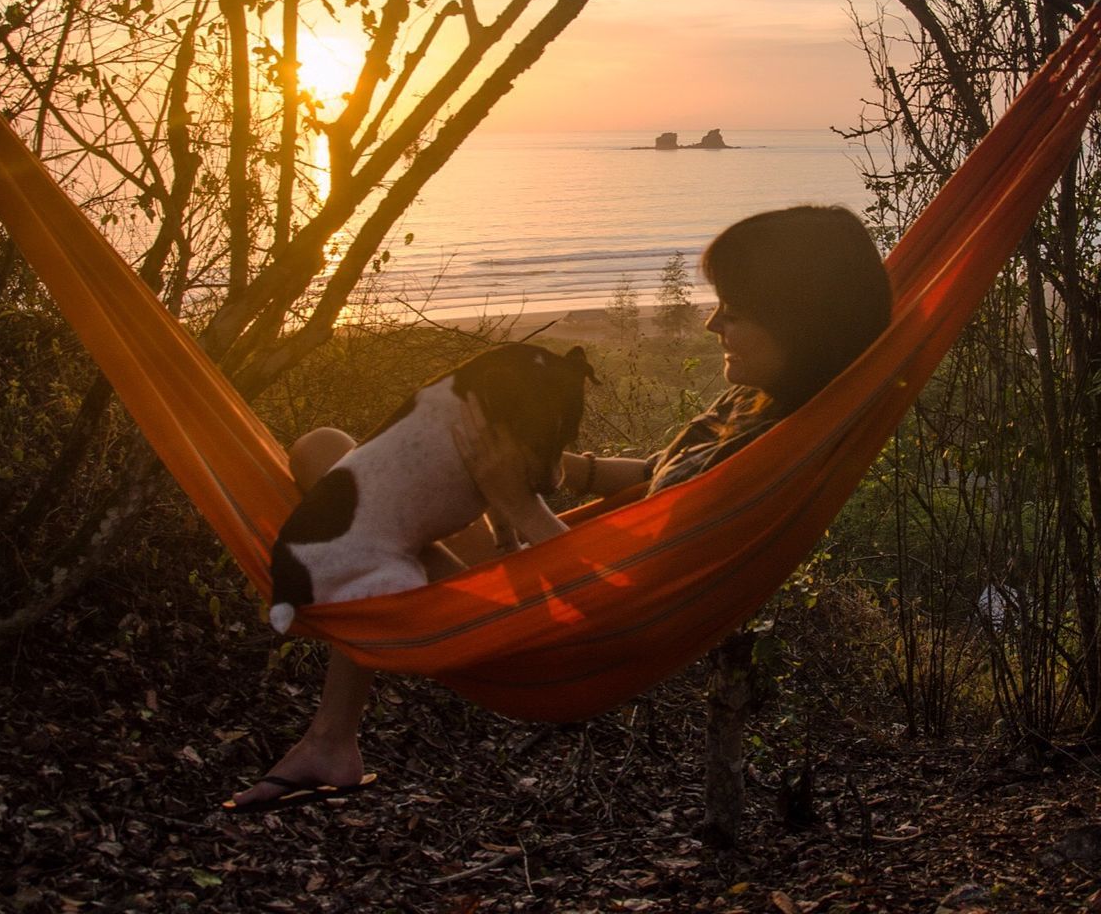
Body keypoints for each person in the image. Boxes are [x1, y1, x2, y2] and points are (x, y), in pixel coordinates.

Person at [224, 205, 892, 809]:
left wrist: (511, 498)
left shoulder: (770, 455)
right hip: (553, 568)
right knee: (328, 450)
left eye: (736, 311)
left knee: (361, 508)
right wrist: (570, 470)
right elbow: (661, 478)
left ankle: (332, 739)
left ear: (798, 319)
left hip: (560, 627)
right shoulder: (753, 404)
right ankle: (334, 740)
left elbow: (620, 604)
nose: (713, 322)